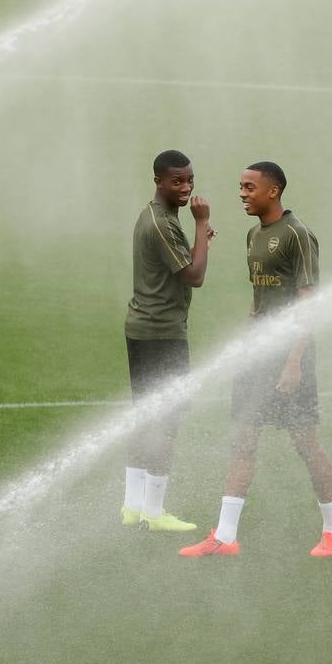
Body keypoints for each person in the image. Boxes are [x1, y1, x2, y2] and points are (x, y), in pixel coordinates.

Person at [181, 161, 332, 558]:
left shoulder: (298, 235)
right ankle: (225, 537)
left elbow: (310, 306)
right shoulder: (253, 235)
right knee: (242, 439)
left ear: (273, 191)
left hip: (293, 357)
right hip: (258, 358)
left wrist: (293, 362)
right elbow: (259, 302)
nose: (241, 193)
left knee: (305, 442)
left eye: (249, 187)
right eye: (240, 186)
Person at [121, 149, 214, 532]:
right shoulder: (162, 224)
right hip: (162, 333)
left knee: (147, 417)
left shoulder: (154, 216)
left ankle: (132, 506)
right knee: (167, 421)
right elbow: (194, 276)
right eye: (177, 181)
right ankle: (155, 512)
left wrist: (197, 236)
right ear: (158, 180)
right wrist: (203, 227)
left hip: (143, 328)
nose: (186, 187)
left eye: (190, 179)